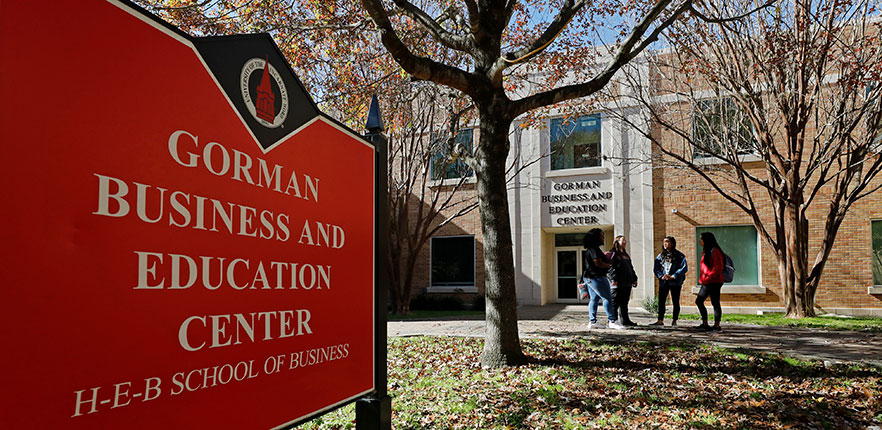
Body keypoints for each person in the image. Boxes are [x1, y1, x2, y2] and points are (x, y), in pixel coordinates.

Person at [579, 228, 625, 330]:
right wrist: (608, 264)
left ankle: (593, 322)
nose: (603, 238)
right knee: (607, 298)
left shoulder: (591, 249)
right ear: (596, 237)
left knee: (594, 299)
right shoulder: (594, 249)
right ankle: (612, 321)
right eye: (601, 236)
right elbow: (598, 263)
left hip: (590, 277)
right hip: (596, 278)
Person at [650, 236, 687, 327]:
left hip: (675, 282)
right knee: (661, 301)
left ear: (672, 243)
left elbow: (684, 268)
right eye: (664, 242)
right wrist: (661, 276)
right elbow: (656, 268)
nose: (665, 244)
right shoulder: (660, 256)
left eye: (667, 242)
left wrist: (674, 276)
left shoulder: (679, 255)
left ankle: (674, 320)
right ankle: (660, 320)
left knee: (675, 301)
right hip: (664, 282)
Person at [606, 235, 638, 326]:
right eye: (623, 240)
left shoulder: (625, 254)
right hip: (617, 282)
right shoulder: (613, 253)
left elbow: (630, 267)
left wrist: (634, 278)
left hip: (627, 282)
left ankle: (625, 320)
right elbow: (610, 268)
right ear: (617, 242)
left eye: (625, 241)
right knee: (615, 303)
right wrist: (613, 279)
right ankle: (613, 320)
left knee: (624, 303)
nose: (625, 242)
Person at [696, 232, 725, 332]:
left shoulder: (715, 251)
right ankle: (705, 323)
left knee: (715, 302)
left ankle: (717, 325)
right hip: (707, 281)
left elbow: (718, 267)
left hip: (714, 281)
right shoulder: (706, 251)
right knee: (699, 301)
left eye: (701, 238)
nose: (699, 240)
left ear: (706, 240)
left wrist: (709, 277)